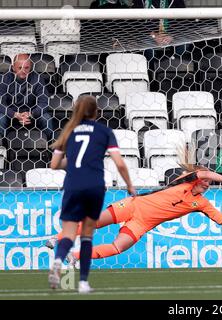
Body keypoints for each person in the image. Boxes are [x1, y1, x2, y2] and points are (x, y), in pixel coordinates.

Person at [46, 163, 222, 263]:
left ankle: (73, 256)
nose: (208, 184)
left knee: (117, 247)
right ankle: (55, 240)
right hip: (133, 205)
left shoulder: (201, 203)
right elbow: (203, 172)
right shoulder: (184, 181)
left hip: (142, 223)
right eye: (206, 181)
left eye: (210, 183)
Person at [48, 95, 136, 293]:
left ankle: (58, 262)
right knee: (87, 236)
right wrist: (130, 185)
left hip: (73, 185)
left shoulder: (68, 131)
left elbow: (54, 165)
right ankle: (83, 283)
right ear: (96, 111)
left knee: (69, 234)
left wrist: (75, 164)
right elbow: (119, 162)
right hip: (94, 186)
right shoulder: (104, 132)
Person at [0, 53, 54, 141]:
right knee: (0, 118)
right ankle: (2, 148)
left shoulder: (37, 79)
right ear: (13, 67)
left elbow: (44, 102)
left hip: (31, 116)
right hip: (10, 115)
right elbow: (0, 104)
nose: (23, 71)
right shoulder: (4, 79)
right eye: (20, 68)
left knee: (46, 118)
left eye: (26, 68)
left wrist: (31, 114)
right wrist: (14, 114)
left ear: (31, 67)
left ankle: (51, 148)